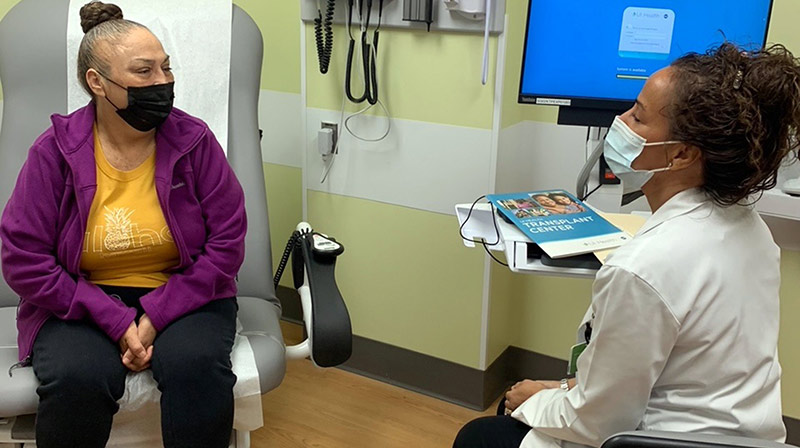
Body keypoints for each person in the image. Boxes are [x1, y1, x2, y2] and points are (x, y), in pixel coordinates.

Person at [454, 42, 800, 448]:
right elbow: (675, 370)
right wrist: (567, 389)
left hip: (656, 439)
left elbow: (600, 423)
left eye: (637, 115)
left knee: (482, 435)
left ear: (682, 153)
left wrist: (537, 400)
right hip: (739, 438)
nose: (619, 121)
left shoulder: (643, 267)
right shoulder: (751, 228)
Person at [0, 2, 246, 448]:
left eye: (166, 68)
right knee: (78, 377)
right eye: (144, 71)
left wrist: (155, 315)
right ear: (98, 83)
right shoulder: (54, 152)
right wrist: (113, 319)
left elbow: (227, 244)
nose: (163, 83)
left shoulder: (195, 142)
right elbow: (24, 259)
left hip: (185, 293)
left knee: (197, 367)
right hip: (78, 299)